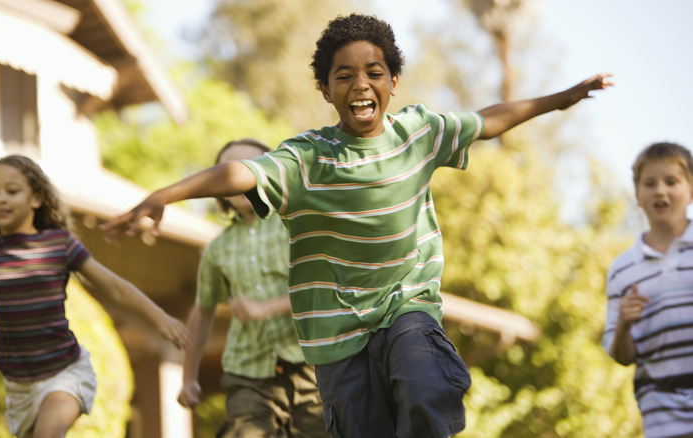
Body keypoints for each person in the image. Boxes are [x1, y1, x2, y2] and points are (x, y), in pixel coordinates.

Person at [101, 13, 613, 438]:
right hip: (336, 333)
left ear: (393, 81)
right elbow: (240, 172)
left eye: (374, 71)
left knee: (424, 382)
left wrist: (562, 98)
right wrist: (165, 194)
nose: (360, 84)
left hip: (405, 304)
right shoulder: (309, 158)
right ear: (325, 90)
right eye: (343, 76)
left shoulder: (419, 132)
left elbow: (488, 119)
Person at [0, 155, 189, 438]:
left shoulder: (60, 245)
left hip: (66, 371)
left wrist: (159, 316)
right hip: (19, 386)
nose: (0, 199)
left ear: (36, 199)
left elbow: (114, 286)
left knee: (48, 432)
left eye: (12, 191)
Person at [177, 139, 326, 437]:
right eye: (229, 175)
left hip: (315, 367)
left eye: (251, 168)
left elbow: (322, 286)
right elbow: (203, 312)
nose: (240, 179)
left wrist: (264, 308)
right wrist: (188, 377)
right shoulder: (217, 249)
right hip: (249, 372)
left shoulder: (299, 222)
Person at [602, 142, 693, 438]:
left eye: (672, 181)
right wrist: (624, 325)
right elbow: (622, 356)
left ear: (690, 190)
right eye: (650, 183)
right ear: (638, 196)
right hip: (663, 417)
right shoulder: (622, 269)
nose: (660, 191)